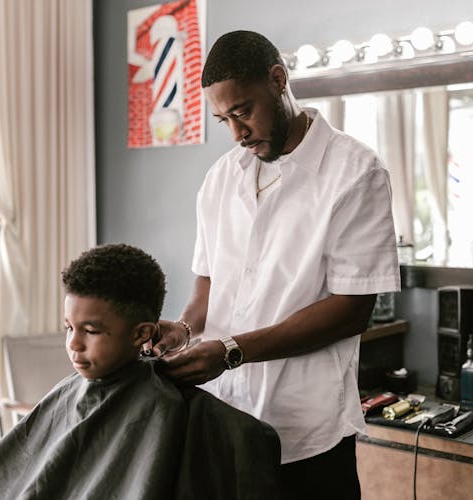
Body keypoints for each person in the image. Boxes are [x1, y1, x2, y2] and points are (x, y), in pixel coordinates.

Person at [153, 30, 400, 499]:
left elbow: (351, 309)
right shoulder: (220, 179)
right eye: (223, 119)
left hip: (306, 435)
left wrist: (230, 350)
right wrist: (184, 332)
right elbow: (208, 286)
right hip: (224, 422)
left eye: (242, 112)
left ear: (278, 79)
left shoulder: (356, 173)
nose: (236, 133)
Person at [0, 243, 282, 499]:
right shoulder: (70, 391)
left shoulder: (162, 405)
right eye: (69, 327)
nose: (74, 344)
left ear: (142, 334)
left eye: (92, 331)